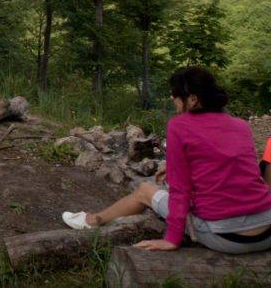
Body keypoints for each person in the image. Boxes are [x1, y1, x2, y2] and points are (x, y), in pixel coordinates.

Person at [61, 67, 271, 254]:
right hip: (266, 231)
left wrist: (171, 239)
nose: (172, 98)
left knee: (144, 190)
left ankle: (93, 220)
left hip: (229, 238)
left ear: (192, 99)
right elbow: (230, 165)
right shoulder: (240, 125)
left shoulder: (180, 125)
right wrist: (173, 168)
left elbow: (181, 190)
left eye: (175, 94)